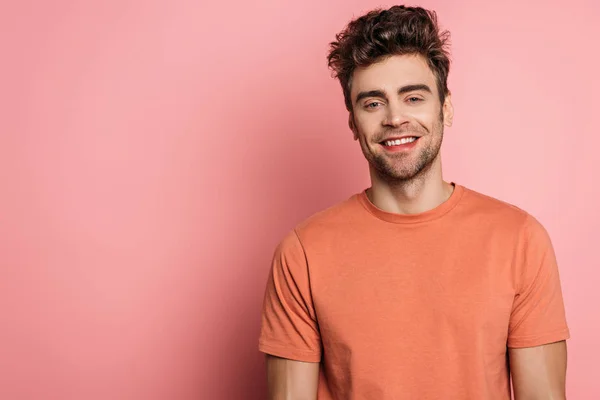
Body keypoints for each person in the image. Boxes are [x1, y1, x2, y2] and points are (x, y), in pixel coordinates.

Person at [258, 5, 570, 399]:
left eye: (413, 97)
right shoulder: (302, 253)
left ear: (446, 107)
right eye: (373, 103)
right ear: (354, 123)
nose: (394, 118)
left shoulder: (520, 240)